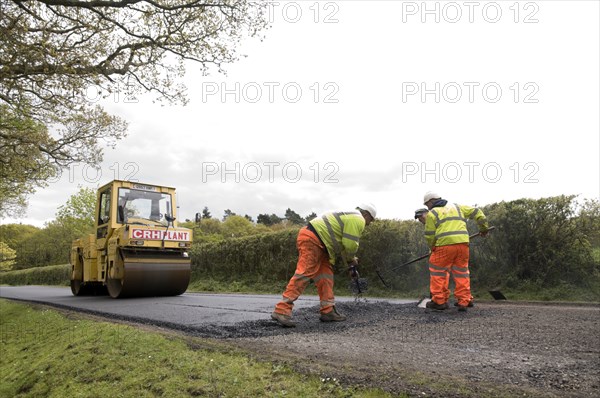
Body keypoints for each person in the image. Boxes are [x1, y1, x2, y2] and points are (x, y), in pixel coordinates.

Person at [271, 203, 377, 327]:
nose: (369, 224)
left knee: (325, 277)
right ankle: (281, 310)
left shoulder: (350, 215)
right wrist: (351, 259)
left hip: (321, 244)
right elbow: (350, 245)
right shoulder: (358, 219)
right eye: (370, 220)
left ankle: (328, 311)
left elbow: (344, 248)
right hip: (313, 239)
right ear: (366, 214)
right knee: (304, 273)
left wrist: (350, 266)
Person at [422, 192, 489, 312]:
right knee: (461, 272)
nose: (428, 207)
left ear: (431, 201)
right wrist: (484, 229)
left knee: (438, 273)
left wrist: (432, 248)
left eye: (427, 205)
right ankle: (464, 301)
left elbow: (429, 235)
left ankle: (439, 301)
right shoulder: (458, 207)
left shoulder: (433, 213)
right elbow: (478, 213)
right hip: (463, 245)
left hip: (444, 246)